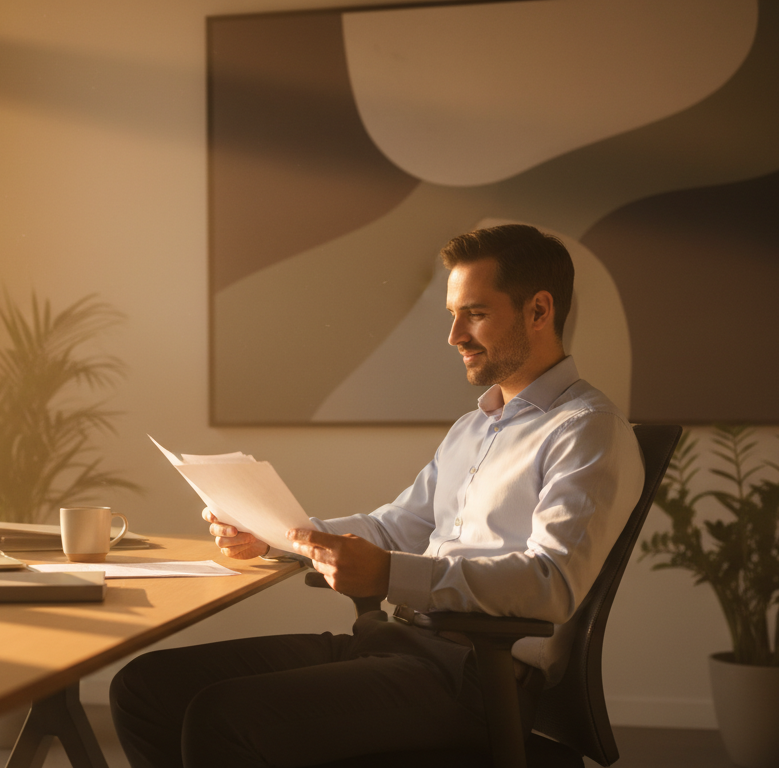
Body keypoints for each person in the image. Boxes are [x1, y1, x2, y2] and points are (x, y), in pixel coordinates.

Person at [110, 224, 645, 768]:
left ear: (539, 310)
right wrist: (273, 536)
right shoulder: (473, 428)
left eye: (476, 314)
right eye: (453, 314)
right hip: (396, 643)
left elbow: (550, 585)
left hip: (474, 677)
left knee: (222, 716)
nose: (455, 334)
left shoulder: (587, 430)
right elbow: (394, 527)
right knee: (145, 688)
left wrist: (391, 575)